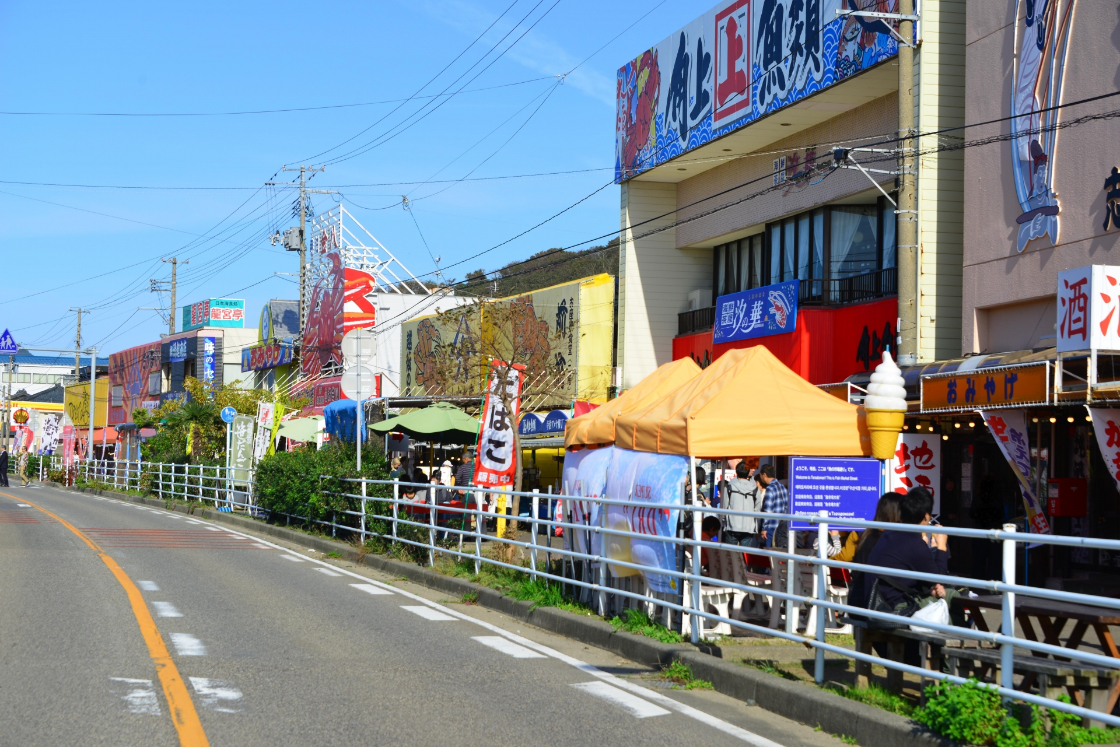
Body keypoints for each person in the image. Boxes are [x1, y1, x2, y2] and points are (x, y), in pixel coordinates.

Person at [863, 488, 950, 612]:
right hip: (895, 607)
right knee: (952, 596)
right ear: (926, 516)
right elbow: (939, 580)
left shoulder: (890, 534)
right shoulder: (914, 542)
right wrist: (942, 546)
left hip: (875, 602)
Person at [721, 461, 762, 548]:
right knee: (745, 555)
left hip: (732, 526)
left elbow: (724, 507)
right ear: (748, 473)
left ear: (736, 472)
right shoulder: (755, 489)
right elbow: (757, 509)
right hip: (749, 527)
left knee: (730, 555)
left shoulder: (730, 487)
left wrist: (724, 520)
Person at [757, 464, 788, 550]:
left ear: (764, 475)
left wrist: (764, 528)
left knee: (769, 554)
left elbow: (768, 510)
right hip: (783, 528)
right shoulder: (783, 487)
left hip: (771, 528)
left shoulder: (770, 489)